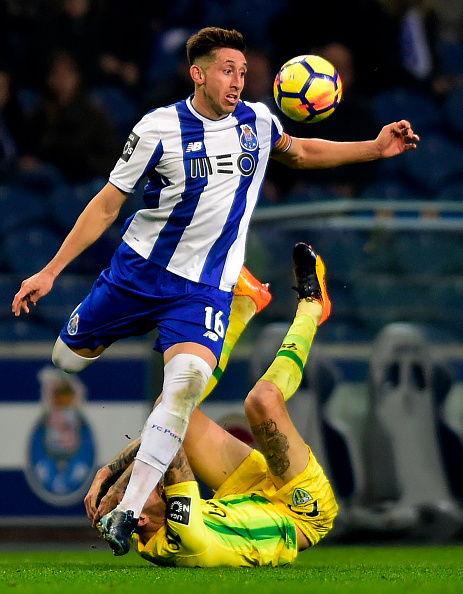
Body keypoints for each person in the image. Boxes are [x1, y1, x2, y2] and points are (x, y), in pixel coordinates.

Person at [12, 26, 419, 555]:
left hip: (203, 289)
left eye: (243, 71)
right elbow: (108, 205)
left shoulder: (257, 121)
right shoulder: (158, 128)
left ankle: (129, 512)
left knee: (183, 386)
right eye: (226, 69)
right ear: (198, 73)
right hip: (137, 273)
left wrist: (374, 148)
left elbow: (300, 153)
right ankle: (135, 346)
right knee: (66, 361)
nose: (237, 81)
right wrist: (48, 271)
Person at [85, 242, 337, 565]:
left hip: (246, 495)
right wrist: (118, 483)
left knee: (170, 406)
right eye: (142, 488)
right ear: (141, 519)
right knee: (261, 402)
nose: (153, 479)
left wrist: (108, 470)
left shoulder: (154, 529)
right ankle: (313, 307)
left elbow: (168, 428)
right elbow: (169, 447)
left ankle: (245, 303)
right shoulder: (184, 537)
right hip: (302, 512)